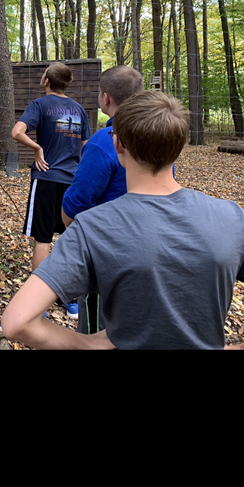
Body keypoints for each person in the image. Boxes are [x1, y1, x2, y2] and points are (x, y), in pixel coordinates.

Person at [1, 90, 244, 350]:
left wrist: (87, 343)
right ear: (179, 147)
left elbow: (16, 322)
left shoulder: (92, 228)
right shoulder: (232, 218)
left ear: (117, 145)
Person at [61, 65, 144, 333]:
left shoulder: (103, 142)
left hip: (107, 258)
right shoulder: (157, 134)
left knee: (95, 332)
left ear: (105, 98)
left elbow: (74, 205)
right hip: (151, 250)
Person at [11, 62, 91, 319]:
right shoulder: (79, 109)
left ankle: (39, 306)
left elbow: (17, 132)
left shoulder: (39, 105)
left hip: (45, 179)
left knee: (43, 240)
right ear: (65, 83)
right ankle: (73, 302)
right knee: (72, 242)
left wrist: (37, 149)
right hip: (74, 183)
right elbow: (86, 146)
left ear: (46, 80)